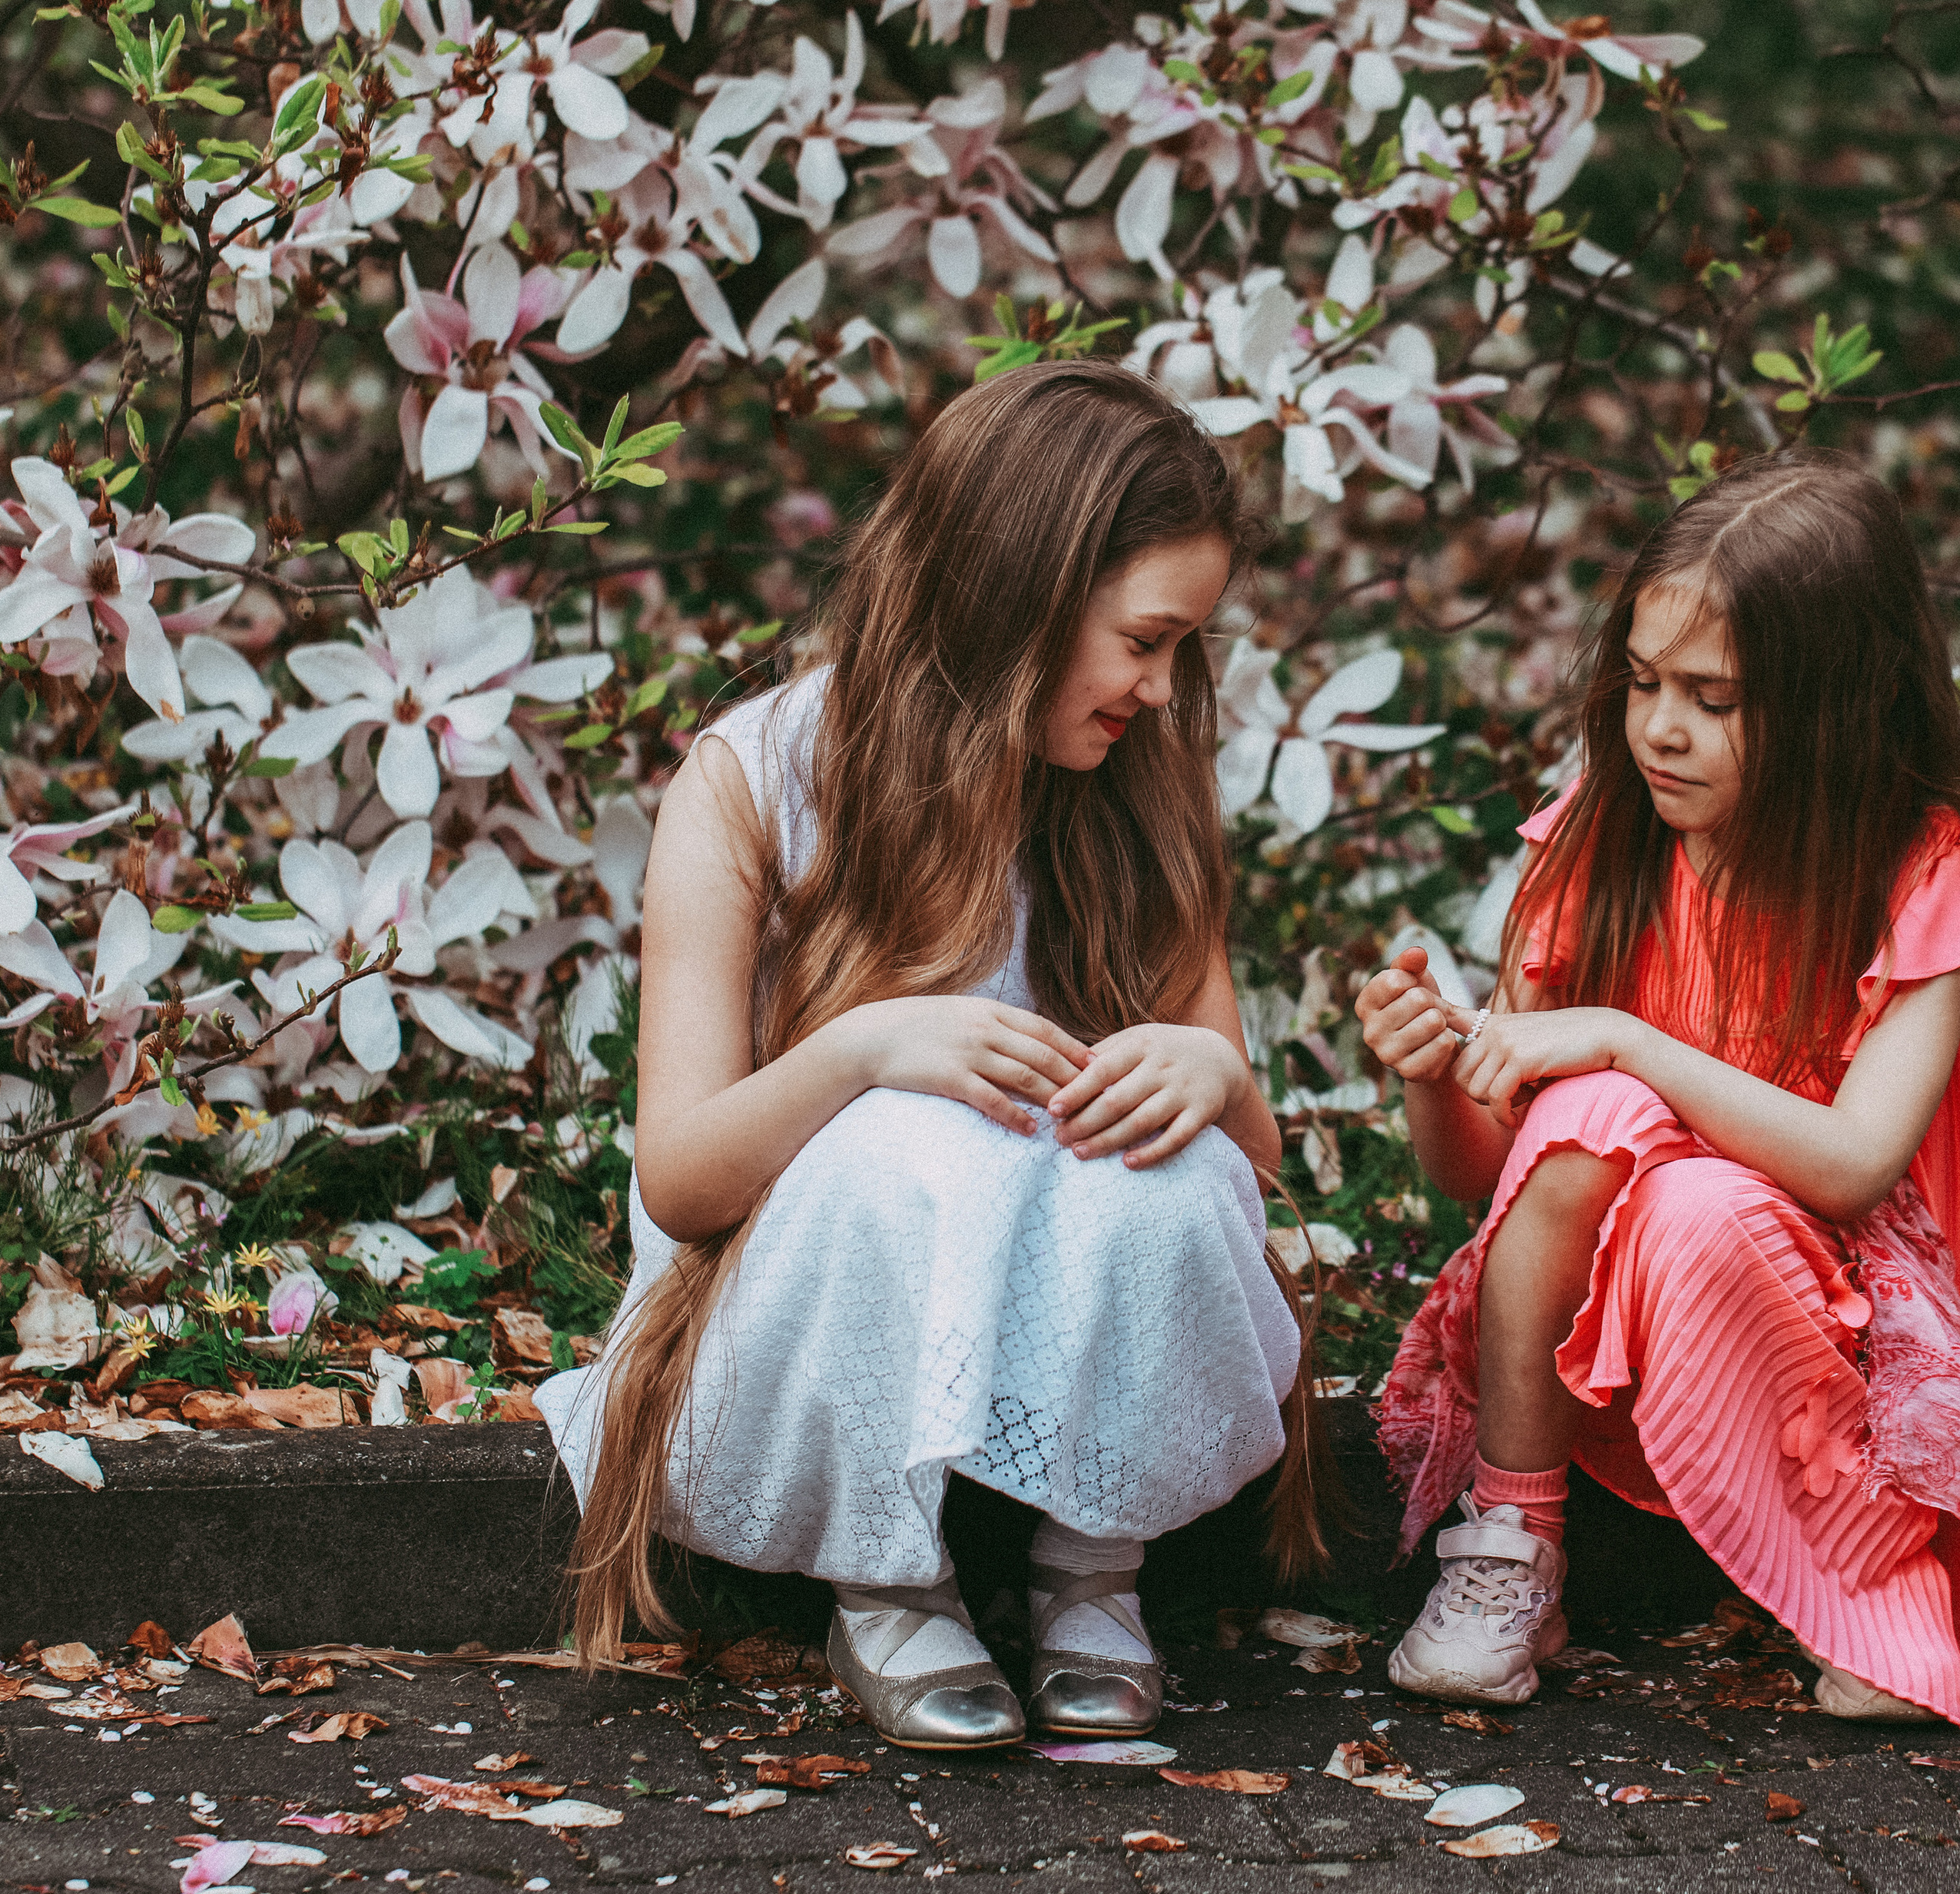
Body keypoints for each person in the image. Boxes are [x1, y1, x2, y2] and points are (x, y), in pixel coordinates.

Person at [538, 363, 1322, 1752]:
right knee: (911, 1142)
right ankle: (887, 1577)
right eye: (1144, 639)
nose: (1160, 685)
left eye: (1182, 648)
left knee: (1167, 1157)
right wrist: (866, 1046)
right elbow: (681, 1178)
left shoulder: (1135, 793)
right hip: (804, 1307)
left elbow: (1245, 1169)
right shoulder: (756, 779)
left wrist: (1221, 1082)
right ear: (1019, 592)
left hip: (1061, 1292)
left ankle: (1094, 1562)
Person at [1359, 448, 1960, 1723]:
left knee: (1664, 1169)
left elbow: (1857, 1163)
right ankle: (1512, 1548)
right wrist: (1430, 1075)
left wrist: (1628, 1040)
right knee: (1587, 1120)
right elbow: (1491, 1173)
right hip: (1622, 1352)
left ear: (1840, 706)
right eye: (1641, 684)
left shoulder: (1925, 874)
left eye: (1715, 698)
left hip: (1865, 1351)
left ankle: (1884, 1582)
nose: (1660, 729)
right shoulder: (1607, 837)